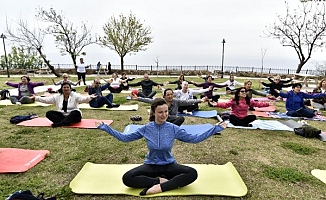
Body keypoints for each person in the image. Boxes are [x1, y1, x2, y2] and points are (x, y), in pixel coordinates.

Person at [96, 98, 227, 196]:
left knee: (192, 173)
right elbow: (124, 138)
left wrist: (215, 129)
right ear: (153, 112)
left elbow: (195, 139)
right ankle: (159, 181)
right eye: (160, 112)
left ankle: (159, 187)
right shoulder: (146, 128)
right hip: (151, 165)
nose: (164, 115)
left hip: (169, 165)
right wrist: (106, 128)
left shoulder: (173, 128)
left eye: (166, 111)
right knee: (127, 178)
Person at [31, 82, 96, 127]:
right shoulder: (57, 96)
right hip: (62, 115)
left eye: (67, 87)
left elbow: (82, 99)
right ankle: (65, 122)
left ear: (70, 89)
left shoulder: (75, 95)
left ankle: (60, 123)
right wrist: (36, 98)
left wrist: (90, 97)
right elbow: (47, 100)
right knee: (49, 113)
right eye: (64, 87)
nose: (66, 89)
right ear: (62, 89)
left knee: (76, 112)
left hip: (73, 116)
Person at [132, 88, 208, 126]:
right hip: (163, 121)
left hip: (172, 122)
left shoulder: (176, 101)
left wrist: (200, 100)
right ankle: (166, 128)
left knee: (181, 118)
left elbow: (188, 102)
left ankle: (169, 128)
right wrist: (138, 98)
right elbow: (149, 100)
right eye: (168, 95)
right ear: (164, 96)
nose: (170, 96)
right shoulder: (160, 101)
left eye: (171, 94)